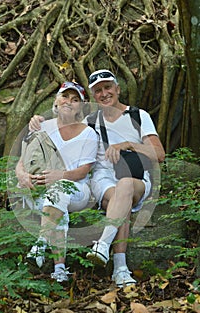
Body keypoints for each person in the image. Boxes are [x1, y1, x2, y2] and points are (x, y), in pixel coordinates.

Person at [29, 70, 166, 288]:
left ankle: (102, 244)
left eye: (107, 88)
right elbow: (63, 124)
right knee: (121, 196)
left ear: (118, 89)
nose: (104, 93)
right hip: (103, 179)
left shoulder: (138, 116)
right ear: (94, 96)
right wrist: (38, 121)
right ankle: (120, 267)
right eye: (98, 90)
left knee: (126, 184)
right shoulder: (90, 121)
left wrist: (127, 145)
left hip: (136, 176)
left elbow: (159, 154)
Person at [15, 81, 98, 283]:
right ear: (56, 100)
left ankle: (41, 242)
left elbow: (83, 171)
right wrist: (22, 176)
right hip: (41, 189)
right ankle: (59, 268)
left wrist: (59, 176)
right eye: (65, 97)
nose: (69, 102)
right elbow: (22, 161)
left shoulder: (88, 133)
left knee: (59, 190)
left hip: (77, 190)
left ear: (81, 106)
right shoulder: (41, 127)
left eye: (75, 99)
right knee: (55, 201)